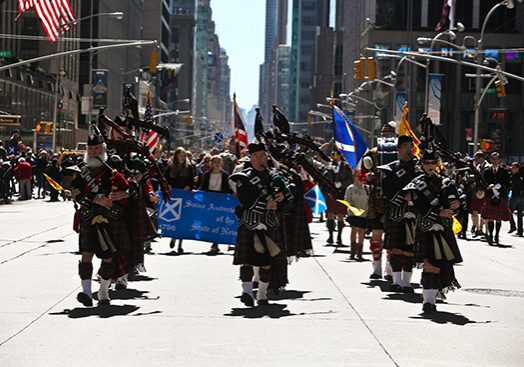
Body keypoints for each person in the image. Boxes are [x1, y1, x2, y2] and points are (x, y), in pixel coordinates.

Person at [70, 133, 131, 306]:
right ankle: (87, 293)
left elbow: (129, 191)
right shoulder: (81, 171)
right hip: (89, 216)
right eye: (90, 148)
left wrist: (122, 194)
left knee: (108, 257)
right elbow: (75, 192)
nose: (93, 151)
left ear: (103, 149)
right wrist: (94, 199)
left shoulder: (113, 171)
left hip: (109, 218)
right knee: (86, 254)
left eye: (96, 148)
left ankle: (103, 291)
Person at [229, 143, 292, 306]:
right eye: (257, 156)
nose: (261, 159)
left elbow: (289, 201)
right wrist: (266, 204)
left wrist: (280, 199)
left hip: (269, 223)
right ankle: (247, 292)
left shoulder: (275, 177)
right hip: (250, 222)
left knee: (267, 262)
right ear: (250, 158)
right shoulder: (244, 177)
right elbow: (246, 201)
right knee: (247, 260)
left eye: (263, 155)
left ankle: (262, 294)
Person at [404, 149, 463, 313]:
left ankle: (431, 298)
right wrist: (438, 212)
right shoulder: (416, 184)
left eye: (432, 162)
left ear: (437, 164)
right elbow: (419, 207)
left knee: (439, 265)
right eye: (426, 163)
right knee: (429, 264)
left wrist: (456, 206)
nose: (430, 166)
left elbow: (456, 203)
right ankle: (428, 302)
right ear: (422, 164)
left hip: (443, 228)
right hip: (426, 227)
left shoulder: (447, 183)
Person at [378, 135, 418, 293]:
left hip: (413, 212)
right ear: (399, 148)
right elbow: (387, 189)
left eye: (411, 146)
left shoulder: (418, 168)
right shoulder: (391, 168)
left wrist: (414, 196)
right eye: (406, 146)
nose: (410, 149)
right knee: (395, 248)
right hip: (395, 211)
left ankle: (406, 283)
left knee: (409, 248)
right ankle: (396, 281)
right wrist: (403, 196)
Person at [199, 155, 232, 255]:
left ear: (221, 163)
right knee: (211, 222)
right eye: (215, 162)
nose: (217, 164)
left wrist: (233, 193)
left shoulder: (225, 175)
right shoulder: (207, 174)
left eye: (218, 162)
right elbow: (203, 187)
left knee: (219, 222)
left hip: (221, 202)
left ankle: (215, 243)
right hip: (210, 201)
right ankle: (213, 240)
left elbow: (227, 188)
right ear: (211, 164)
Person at [166, 147, 195, 253]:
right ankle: (173, 237)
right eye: (180, 156)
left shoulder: (189, 168)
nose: (182, 158)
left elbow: (192, 182)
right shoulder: (170, 167)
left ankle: (180, 244)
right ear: (176, 156)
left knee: (183, 220)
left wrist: (189, 186)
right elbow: (165, 179)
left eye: (184, 156)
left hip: (184, 196)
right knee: (174, 218)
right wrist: (168, 185)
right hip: (173, 196)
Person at [481, 152, 512, 245]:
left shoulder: (504, 171)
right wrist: (487, 186)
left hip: (501, 196)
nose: (494, 161)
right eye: (493, 159)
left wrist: (501, 186)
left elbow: (508, 184)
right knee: (490, 217)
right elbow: (483, 183)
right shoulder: (487, 171)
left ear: (499, 160)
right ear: (490, 160)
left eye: (496, 159)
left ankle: (497, 236)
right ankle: (490, 235)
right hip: (490, 196)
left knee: (498, 218)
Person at [324, 149, 353, 246]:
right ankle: (330, 236)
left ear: (339, 155)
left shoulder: (346, 166)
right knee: (330, 214)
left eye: (335, 154)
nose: (333, 156)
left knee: (340, 215)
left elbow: (350, 179)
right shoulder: (331, 165)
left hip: (342, 192)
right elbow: (327, 178)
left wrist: (341, 184)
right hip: (332, 192)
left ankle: (339, 237)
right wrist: (331, 171)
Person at [344, 171, 369, 261]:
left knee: (361, 232)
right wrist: (352, 209)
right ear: (355, 178)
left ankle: (360, 253)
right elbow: (347, 200)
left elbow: (369, 201)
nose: (361, 181)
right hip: (353, 213)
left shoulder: (366, 188)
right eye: (359, 178)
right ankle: (352, 252)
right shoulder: (350, 188)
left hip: (363, 213)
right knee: (354, 230)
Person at [470, 151, 490, 238]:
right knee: (474, 211)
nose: (476, 160)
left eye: (477, 158)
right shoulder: (478, 166)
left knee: (484, 212)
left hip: (484, 192)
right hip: (477, 191)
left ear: (481, 158)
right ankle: (478, 229)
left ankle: (484, 230)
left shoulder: (487, 167)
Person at [509, 162, 524, 237]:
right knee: (519, 214)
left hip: (515, 196)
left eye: (513, 168)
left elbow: (513, 186)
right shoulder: (522, 176)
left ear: (517, 168)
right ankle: (520, 231)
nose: (512, 169)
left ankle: (513, 226)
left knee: (508, 211)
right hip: (522, 197)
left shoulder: (515, 176)